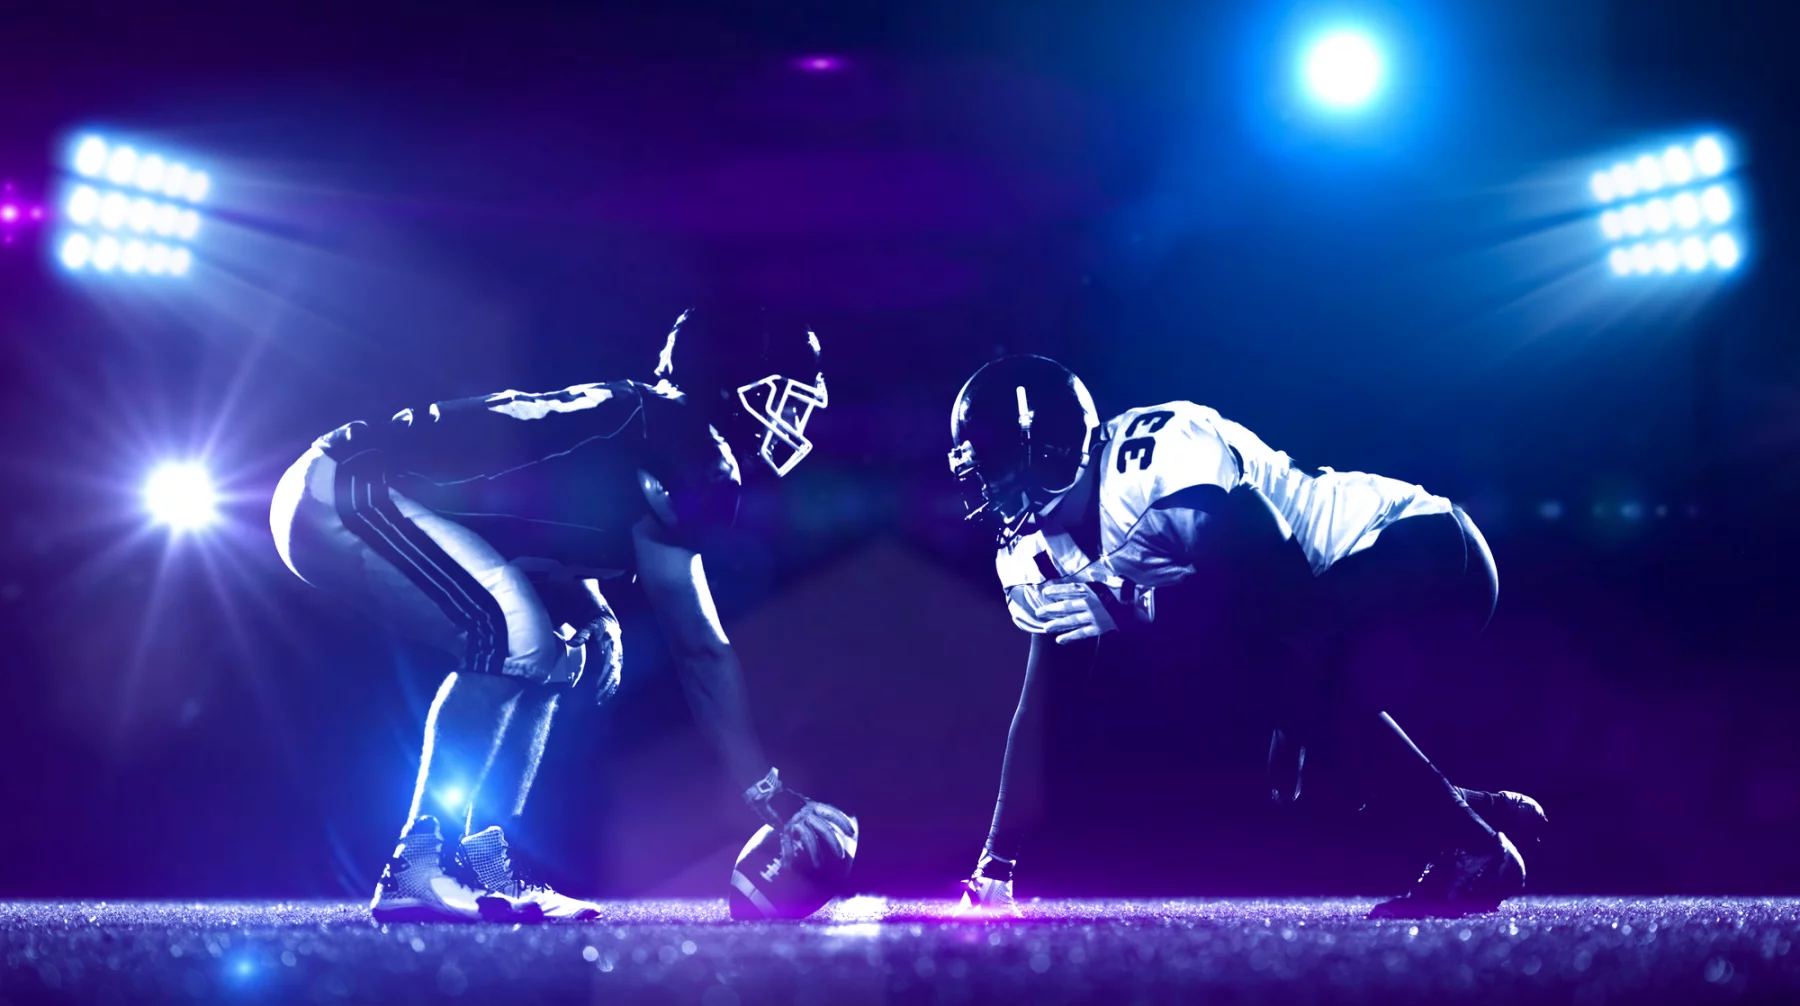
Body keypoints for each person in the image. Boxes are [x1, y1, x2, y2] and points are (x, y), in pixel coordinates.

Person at [269, 307, 856, 922]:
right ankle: (418, 864)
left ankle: (484, 865)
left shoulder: (649, 425)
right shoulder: (689, 448)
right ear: (736, 388)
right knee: (509, 634)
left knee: (555, 654)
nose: (795, 426)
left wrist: (593, 608)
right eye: (787, 403)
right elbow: (699, 647)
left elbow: (533, 505)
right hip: (347, 485)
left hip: (363, 488)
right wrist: (764, 789)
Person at [946, 354, 1546, 918]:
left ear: (1050, 447)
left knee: (1268, 676)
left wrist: (1140, 607)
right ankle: (1462, 813)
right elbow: (1041, 710)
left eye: (996, 466)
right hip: (1322, 619)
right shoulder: (1034, 555)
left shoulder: (1150, 460)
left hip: (1422, 550)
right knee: (1289, 779)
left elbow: (1274, 582)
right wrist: (998, 860)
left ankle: (1478, 850)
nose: (989, 490)